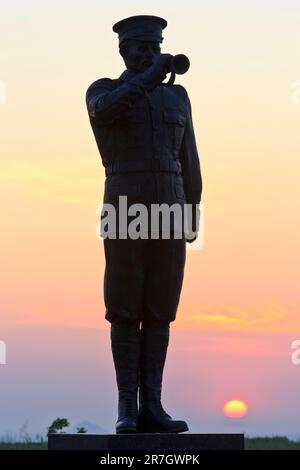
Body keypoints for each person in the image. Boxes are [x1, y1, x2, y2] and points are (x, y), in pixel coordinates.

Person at [85, 15, 202, 434]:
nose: (151, 55)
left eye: (155, 48)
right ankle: (126, 408)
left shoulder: (179, 98)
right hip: (124, 210)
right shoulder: (104, 91)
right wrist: (151, 77)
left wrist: (193, 208)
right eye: (141, 49)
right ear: (123, 52)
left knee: (161, 309)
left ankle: (152, 404)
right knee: (124, 308)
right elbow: (105, 113)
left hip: (170, 210)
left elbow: (189, 155)